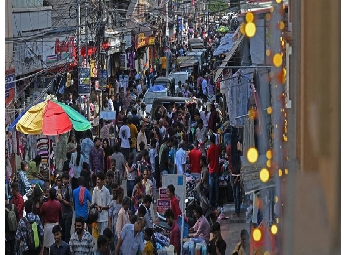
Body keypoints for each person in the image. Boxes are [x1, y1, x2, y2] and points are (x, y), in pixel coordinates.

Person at [40, 188, 62, 255]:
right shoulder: (58, 204)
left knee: (46, 246)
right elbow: (61, 214)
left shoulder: (45, 204)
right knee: (56, 245)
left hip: (47, 227)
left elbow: (40, 213)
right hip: (55, 225)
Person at [59, 172, 73, 243]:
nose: (64, 181)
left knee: (67, 234)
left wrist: (62, 200)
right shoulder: (62, 188)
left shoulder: (69, 189)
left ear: (68, 180)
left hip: (68, 214)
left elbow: (71, 203)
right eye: (63, 179)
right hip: (62, 214)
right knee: (63, 233)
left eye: (66, 179)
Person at [207, 134, 220, 207]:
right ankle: (217, 202)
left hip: (211, 170)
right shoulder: (217, 148)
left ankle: (211, 202)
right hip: (217, 170)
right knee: (216, 187)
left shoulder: (209, 149)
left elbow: (208, 159)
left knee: (211, 187)